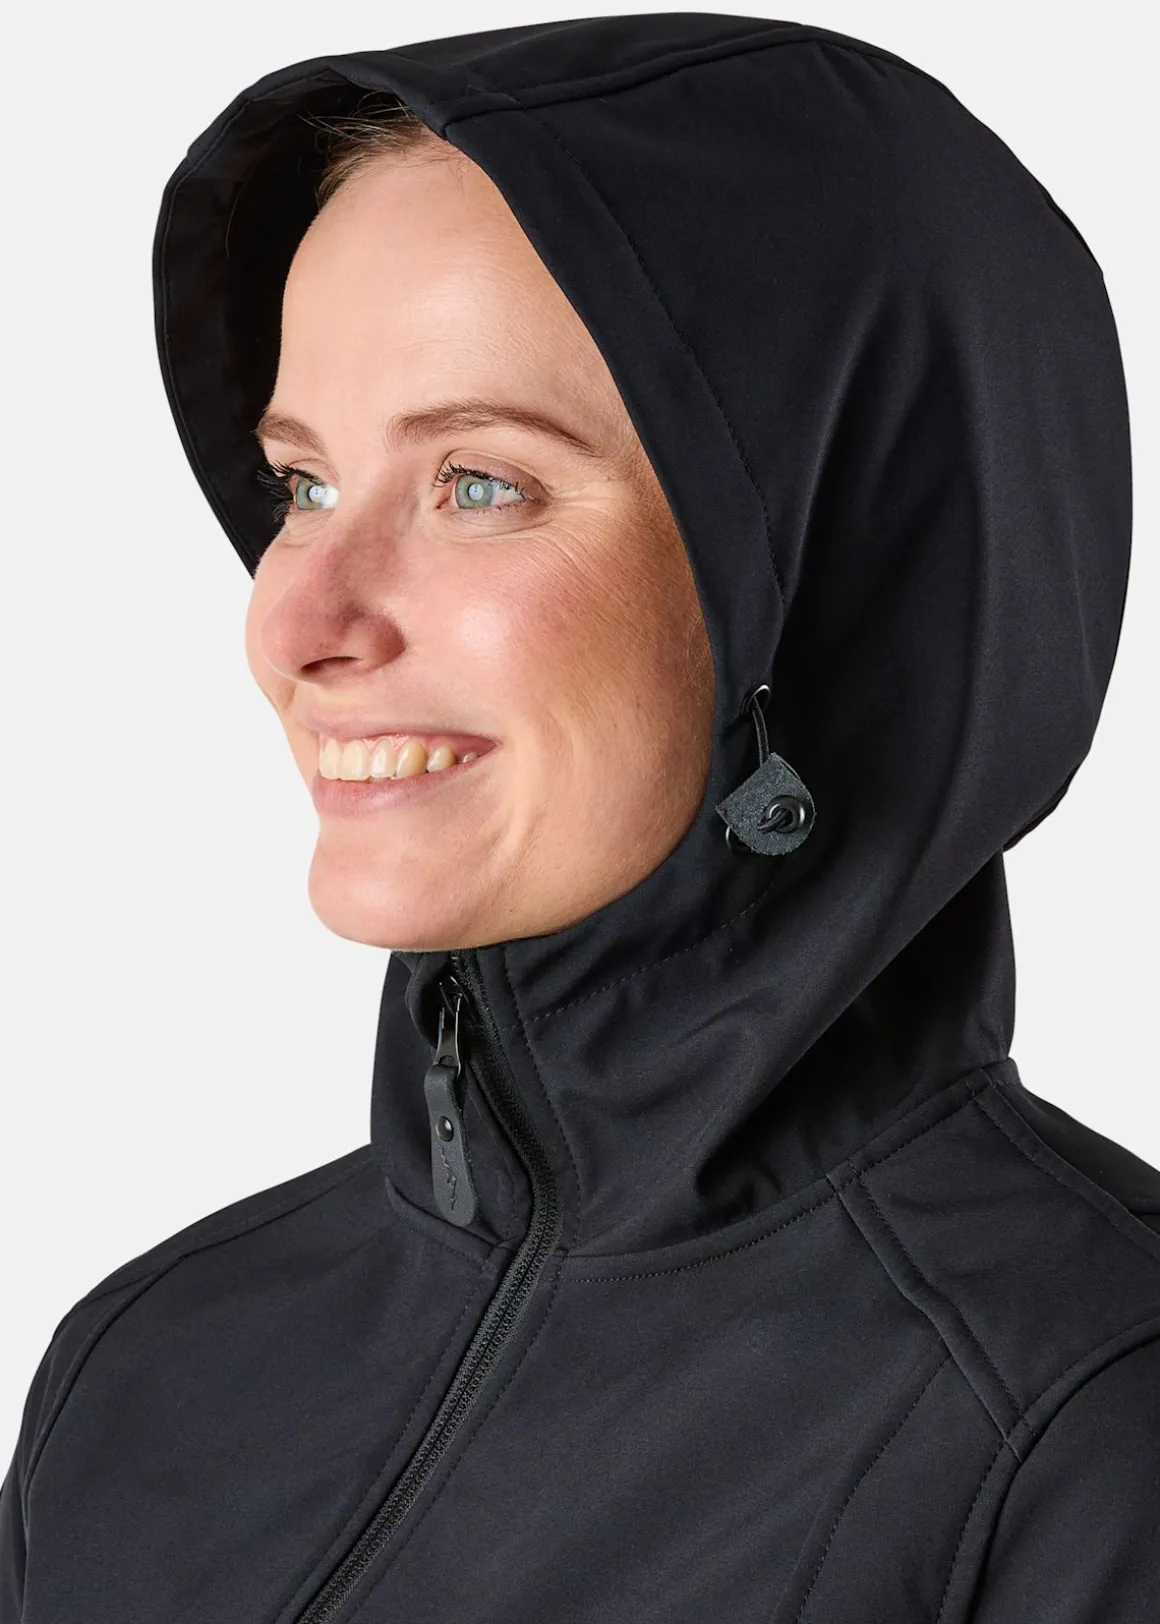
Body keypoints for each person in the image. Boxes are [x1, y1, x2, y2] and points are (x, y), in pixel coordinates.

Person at [3, 12, 1157, 1621]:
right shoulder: (147, 1372)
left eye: (478, 485)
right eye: (302, 486)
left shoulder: (1092, 1436)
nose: (296, 620)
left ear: (830, 567)